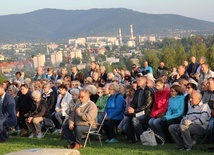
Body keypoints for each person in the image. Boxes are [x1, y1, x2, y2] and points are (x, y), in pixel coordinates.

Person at [124, 76, 153, 143]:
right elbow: (133, 102)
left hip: (145, 113)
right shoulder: (138, 91)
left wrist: (135, 110)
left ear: (144, 81)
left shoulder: (148, 91)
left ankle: (142, 137)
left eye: (139, 80)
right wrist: (131, 108)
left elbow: (147, 105)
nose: (137, 82)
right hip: (137, 112)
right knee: (128, 118)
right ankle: (131, 138)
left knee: (135, 119)